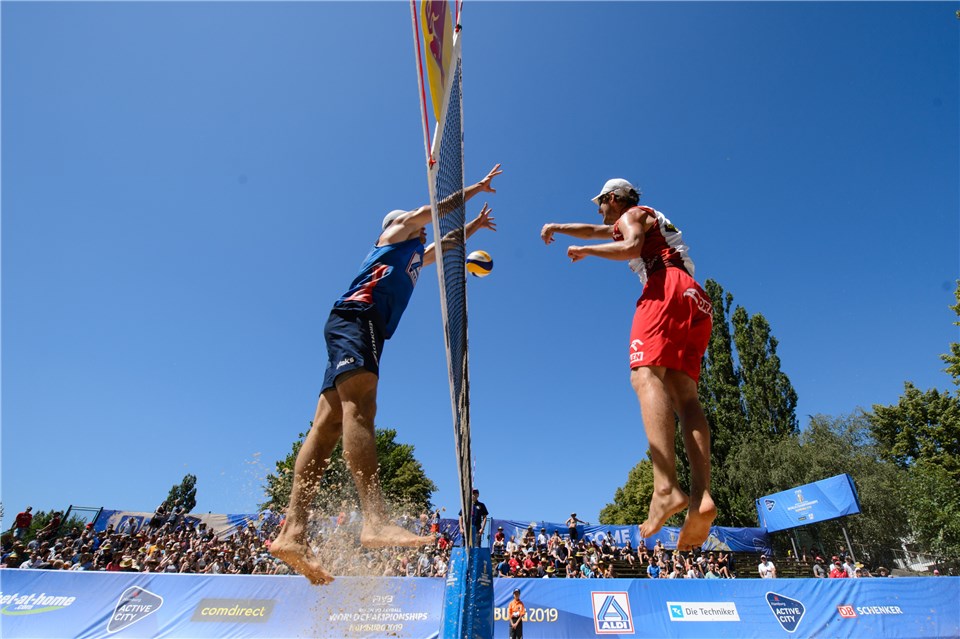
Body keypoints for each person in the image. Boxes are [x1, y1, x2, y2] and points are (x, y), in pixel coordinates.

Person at [270, 164, 503, 585]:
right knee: (362, 407)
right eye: (416, 227)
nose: (422, 233)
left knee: (326, 426)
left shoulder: (413, 254)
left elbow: (446, 243)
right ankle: (375, 520)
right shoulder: (396, 232)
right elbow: (432, 210)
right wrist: (476, 189)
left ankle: (293, 532)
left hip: (355, 323)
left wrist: (475, 226)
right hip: (358, 319)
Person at [542, 178, 714, 549]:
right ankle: (702, 497)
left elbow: (631, 245)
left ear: (613, 199)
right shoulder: (641, 219)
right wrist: (558, 226)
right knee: (686, 397)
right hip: (695, 298)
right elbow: (594, 229)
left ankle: (665, 486)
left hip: (663, 285)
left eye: (600, 203)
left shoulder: (634, 214)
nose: (598, 209)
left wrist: (588, 253)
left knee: (644, 375)